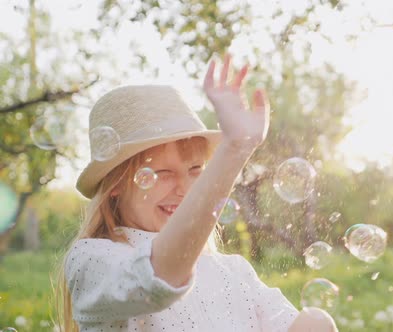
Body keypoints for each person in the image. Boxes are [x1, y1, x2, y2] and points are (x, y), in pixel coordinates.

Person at [54, 55, 338, 332]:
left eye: (195, 170)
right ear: (115, 183)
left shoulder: (234, 272)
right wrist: (234, 149)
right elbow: (159, 275)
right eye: (162, 173)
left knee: (315, 320)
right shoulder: (92, 259)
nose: (185, 188)